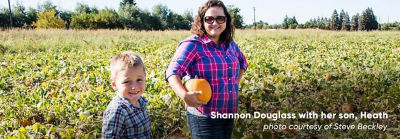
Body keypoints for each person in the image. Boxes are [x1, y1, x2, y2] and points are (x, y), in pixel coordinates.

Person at [165, 0, 248, 138]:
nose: (215, 23)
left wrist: (235, 82)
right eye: (209, 19)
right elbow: (172, 72)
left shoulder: (230, 45)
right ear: (202, 21)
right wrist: (184, 95)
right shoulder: (192, 45)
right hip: (204, 115)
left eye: (220, 18)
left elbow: (242, 62)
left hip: (229, 112)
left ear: (226, 21)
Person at [102, 51, 152, 138]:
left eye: (139, 80)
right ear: (114, 85)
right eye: (127, 82)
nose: (134, 87)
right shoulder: (117, 111)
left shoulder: (140, 101)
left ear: (145, 78)